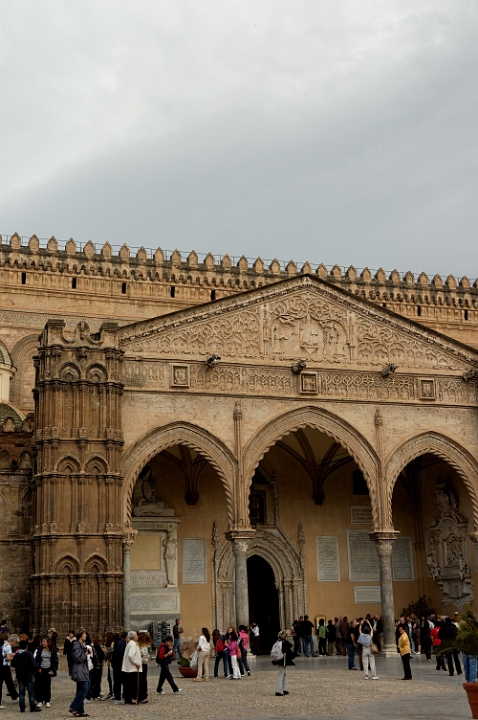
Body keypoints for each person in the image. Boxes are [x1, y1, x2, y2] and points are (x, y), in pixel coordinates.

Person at [11, 639, 42, 713]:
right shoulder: (29, 654)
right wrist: (33, 671)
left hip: (20, 675)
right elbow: (33, 664)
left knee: (21, 692)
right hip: (28, 675)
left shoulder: (17, 654)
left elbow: (13, 664)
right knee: (31, 691)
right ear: (27, 646)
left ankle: (22, 706)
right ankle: (32, 706)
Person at [69, 629, 90, 717]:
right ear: (81, 635)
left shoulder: (80, 645)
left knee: (80, 690)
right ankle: (74, 707)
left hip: (82, 670)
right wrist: (86, 654)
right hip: (80, 670)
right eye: (84, 634)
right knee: (85, 688)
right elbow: (78, 658)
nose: (86, 635)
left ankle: (80, 710)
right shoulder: (76, 645)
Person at [33, 636, 58, 707]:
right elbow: (36, 659)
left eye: (44, 641)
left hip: (48, 669)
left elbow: (55, 660)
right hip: (41, 669)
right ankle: (40, 700)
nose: (43, 643)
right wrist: (38, 667)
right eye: (42, 642)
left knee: (47, 685)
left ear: (47, 642)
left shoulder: (52, 650)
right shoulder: (39, 650)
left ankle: (47, 700)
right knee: (39, 685)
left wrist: (53, 669)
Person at [120, 631, 142, 705]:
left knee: (128, 684)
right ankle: (128, 699)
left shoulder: (130, 644)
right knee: (130, 684)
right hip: (131, 668)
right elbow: (131, 655)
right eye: (136, 636)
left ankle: (128, 698)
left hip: (128, 668)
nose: (137, 637)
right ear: (133, 637)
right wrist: (136, 663)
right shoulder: (132, 644)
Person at [272, 630, 295, 697]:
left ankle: (285, 689)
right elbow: (290, 652)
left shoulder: (277, 642)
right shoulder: (284, 643)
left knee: (284, 674)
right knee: (281, 674)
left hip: (278, 659)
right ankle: (278, 690)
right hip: (282, 660)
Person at [1, 633, 20, 705]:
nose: (14, 644)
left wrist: (12, 654)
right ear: (13, 641)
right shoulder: (8, 646)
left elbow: (6, 654)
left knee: (8, 682)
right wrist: (14, 657)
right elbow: (8, 658)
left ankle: (14, 696)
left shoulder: (4, 644)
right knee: (9, 682)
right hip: (5, 666)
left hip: (2, 665)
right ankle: (15, 696)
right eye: (15, 642)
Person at [111, 631, 127, 701]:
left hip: (117, 664)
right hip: (120, 664)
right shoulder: (122, 643)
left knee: (117, 680)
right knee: (121, 680)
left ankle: (117, 695)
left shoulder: (117, 642)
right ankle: (121, 695)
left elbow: (117, 653)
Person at [137, 631, 151, 703]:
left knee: (140, 680)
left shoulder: (139, 646)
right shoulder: (147, 645)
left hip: (141, 663)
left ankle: (141, 695)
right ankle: (143, 694)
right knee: (143, 679)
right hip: (145, 663)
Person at [90, 634, 105, 700]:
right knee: (97, 680)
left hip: (94, 665)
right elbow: (102, 655)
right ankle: (96, 694)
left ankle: (94, 693)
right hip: (98, 665)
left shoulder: (92, 646)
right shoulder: (97, 647)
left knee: (94, 680)